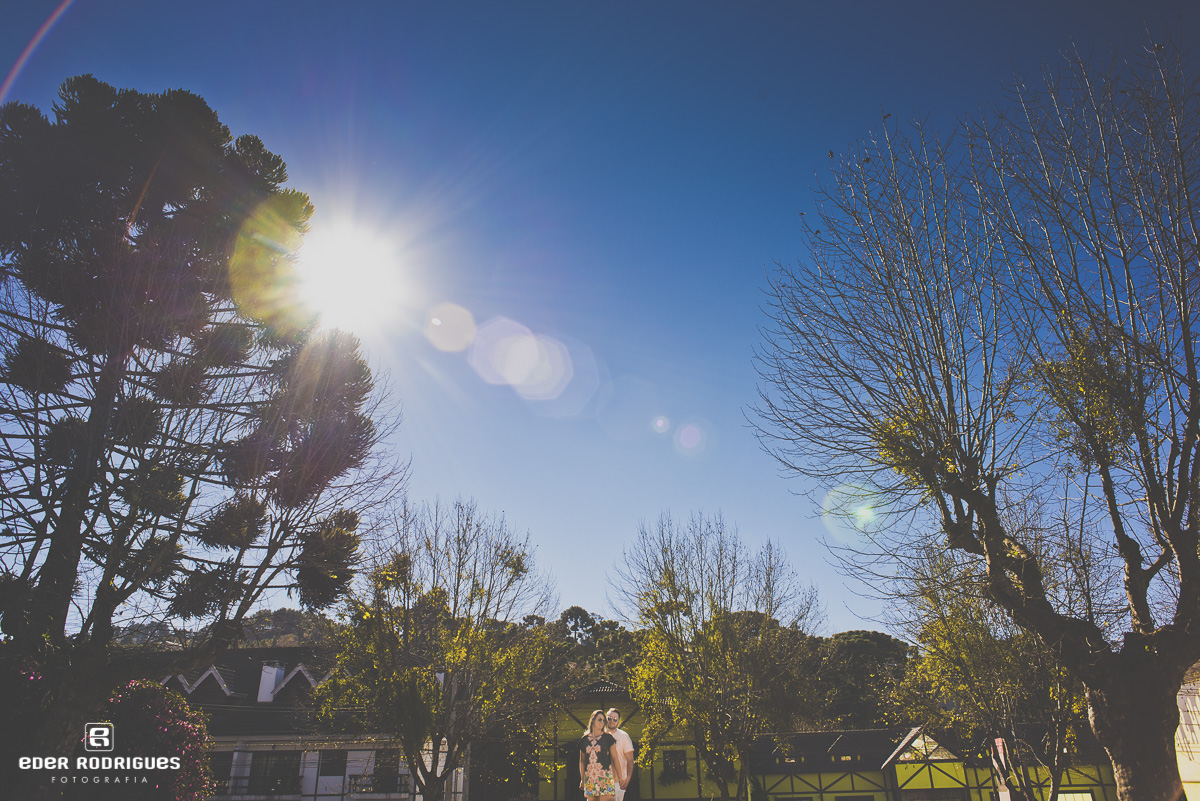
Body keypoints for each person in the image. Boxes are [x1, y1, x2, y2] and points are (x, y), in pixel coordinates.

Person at [578, 709, 619, 801]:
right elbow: (582, 761)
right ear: (593, 720)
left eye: (604, 720)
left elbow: (615, 758)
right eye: (599, 719)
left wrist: (619, 777)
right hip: (590, 777)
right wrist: (582, 779)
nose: (602, 722)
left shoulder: (608, 738)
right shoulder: (584, 740)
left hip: (604, 776)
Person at [605, 708, 635, 801]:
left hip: (618, 782)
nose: (612, 721)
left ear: (618, 722)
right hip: (602, 781)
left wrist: (628, 778)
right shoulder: (600, 735)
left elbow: (630, 760)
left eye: (615, 719)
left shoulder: (623, 736)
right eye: (609, 718)